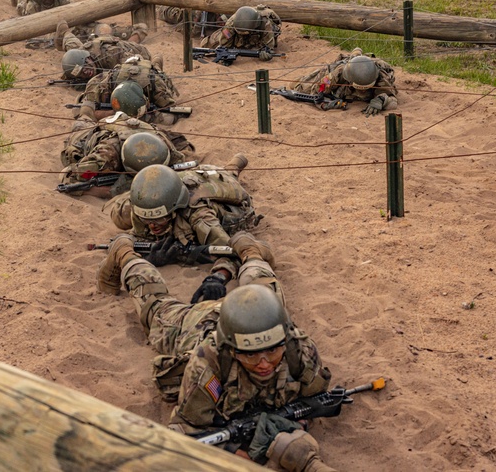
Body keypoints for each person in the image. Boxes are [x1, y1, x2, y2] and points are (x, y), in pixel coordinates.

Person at [95, 236, 335, 470]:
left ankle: (249, 251)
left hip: (256, 315)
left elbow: (316, 398)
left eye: (272, 352)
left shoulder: (298, 350)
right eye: (250, 355)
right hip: (196, 324)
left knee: (264, 290)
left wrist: (299, 421)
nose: (264, 364)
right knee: (155, 304)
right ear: (232, 351)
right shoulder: (207, 364)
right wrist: (237, 454)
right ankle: (125, 253)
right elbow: (186, 428)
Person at [105, 161, 265, 301]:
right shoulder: (142, 209)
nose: (152, 226)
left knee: (229, 174)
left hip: (219, 184)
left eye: (160, 219)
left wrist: (218, 277)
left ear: (174, 210)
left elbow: (232, 251)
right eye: (147, 220)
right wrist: (152, 257)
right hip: (187, 177)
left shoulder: (200, 217)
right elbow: (136, 234)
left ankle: (234, 167)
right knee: (121, 217)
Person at [60, 89, 195, 198]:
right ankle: (87, 109)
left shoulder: (165, 146)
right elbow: (68, 175)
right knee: (81, 122)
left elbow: (185, 158)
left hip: (130, 125)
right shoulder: (107, 155)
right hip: (96, 133)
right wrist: (109, 191)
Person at [76, 56, 181, 125]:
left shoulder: (155, 85)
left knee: (158, 70)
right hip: (121, 73)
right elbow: (82, 111)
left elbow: (172, 114)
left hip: (151, 76)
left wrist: (146, 115)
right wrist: (113, 113)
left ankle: (155, 63)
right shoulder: (106, 83)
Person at [293, 48, 399, 116]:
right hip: (339, 73)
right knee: (299, 87)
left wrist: (381, 100)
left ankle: (357, 54)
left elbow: (392, 99)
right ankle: (355, 54)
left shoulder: (380, 77)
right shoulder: (339, 73)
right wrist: (326, 104)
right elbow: (318, 89)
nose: (362, 91)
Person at [55, 20, 151, 87]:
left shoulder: (112, 55)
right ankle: (65, 33)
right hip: (93, 50)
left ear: (88, 59)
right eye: (82, 73)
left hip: (136, 51)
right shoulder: (81, 55)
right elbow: (72, 71)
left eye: (86, 67)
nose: (87, 72)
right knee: (73, 48)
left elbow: (135, 64)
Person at [200, 5, 282, 61]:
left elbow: (269, 47)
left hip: (256, 36)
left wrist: (266, 54)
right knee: (212, 42)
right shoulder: (230, 24)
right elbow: (224, 44)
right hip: (235, 35)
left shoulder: (265, 24)